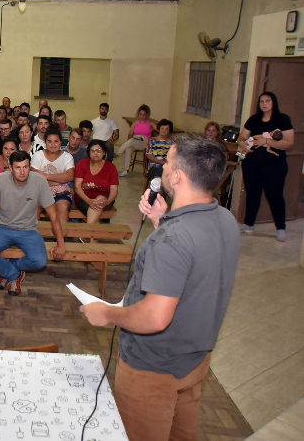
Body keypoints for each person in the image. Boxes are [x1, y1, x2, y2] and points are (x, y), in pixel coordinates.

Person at [80, 134, 238, 441]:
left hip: (153, 369)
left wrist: (108, 313)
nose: (162, 168)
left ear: (177, 176)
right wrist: (162, 220)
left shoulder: (172, 239)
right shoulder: (225, 219)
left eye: (167, 162)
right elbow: (193, 265)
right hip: (195, 359)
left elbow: (155, 317)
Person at [0, 151, 65, 296]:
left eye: (25, 167)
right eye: (18, 167)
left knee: (40, 261)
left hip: (28, 230)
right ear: (10, 168)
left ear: (30, 167)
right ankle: (14, 275)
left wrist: (61, 244)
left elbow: (54, 216)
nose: (22, 172)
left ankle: (10, 268)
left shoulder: (40, 181)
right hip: (2, 227)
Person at [238, 92, 295, 241]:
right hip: (252, 164)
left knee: (274, 196)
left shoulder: (282, 120)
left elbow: (289, 143)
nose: (264, 103)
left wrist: (267, 142)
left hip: (274, 165)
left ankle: (280, 228)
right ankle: (248, 224)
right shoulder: (254, 120)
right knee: (252, 194)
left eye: (267, 101)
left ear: (273, 102)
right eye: (262, 101)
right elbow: (241, 138)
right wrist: (243, 145)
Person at [31, 129, 75, 224]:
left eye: (56, 141)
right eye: (49, 141)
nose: (53, 144)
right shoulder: (38, 155)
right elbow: (34, 178)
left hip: (61, 193)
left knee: (62, 207)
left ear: (60, 142)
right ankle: (33, 237)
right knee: (33, 207)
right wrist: (59, 180)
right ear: (45, 142)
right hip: (40, 191)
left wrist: (45, 175)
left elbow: (70, 176)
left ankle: (61, 238)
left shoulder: (67, 157)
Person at [74, 140, 119, 223]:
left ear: (104, 153)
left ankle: (86, 234)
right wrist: (89, 201)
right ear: (89, 152)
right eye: (92, 150)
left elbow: (114, 190)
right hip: (83, 199)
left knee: (100, 199)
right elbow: (77, 187)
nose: (95, 153)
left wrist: (107, 202)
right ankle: (87, 235)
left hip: (105, 200)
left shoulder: (111, 167)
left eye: (99, 150)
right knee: (95, 214)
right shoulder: (81, 164)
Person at [117, 104, 157, 177]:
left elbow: (159, 129)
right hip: (136, 140)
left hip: (145, 142)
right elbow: (130, 134)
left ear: (147, 115)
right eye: (140, 114)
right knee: (128, 147)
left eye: (144, 115)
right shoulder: (135, 123)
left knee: (131, 141)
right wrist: (129, 140)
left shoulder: (150, 123)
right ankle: (126, 170)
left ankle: (117, 153)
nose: (142, 116)